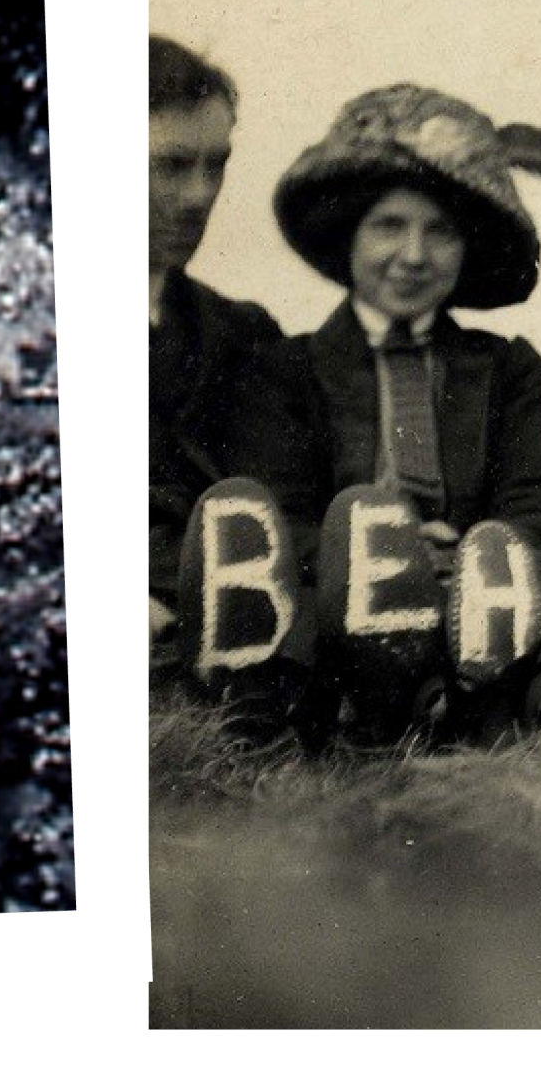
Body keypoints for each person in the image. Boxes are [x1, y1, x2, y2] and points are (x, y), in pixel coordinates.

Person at [272, 83, 541, 563]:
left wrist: (470, 557)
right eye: (389, 226)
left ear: (468, 248)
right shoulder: (283, 372)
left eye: (440, 231)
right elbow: (275, 519)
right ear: (349, 235)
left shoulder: (516, 375)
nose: (413, 256)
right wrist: (387, 554)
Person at [149, 37, 329, 645]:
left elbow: (281, 514)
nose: (201, 195)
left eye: (217, 164)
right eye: (171, 166)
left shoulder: (242, 336)